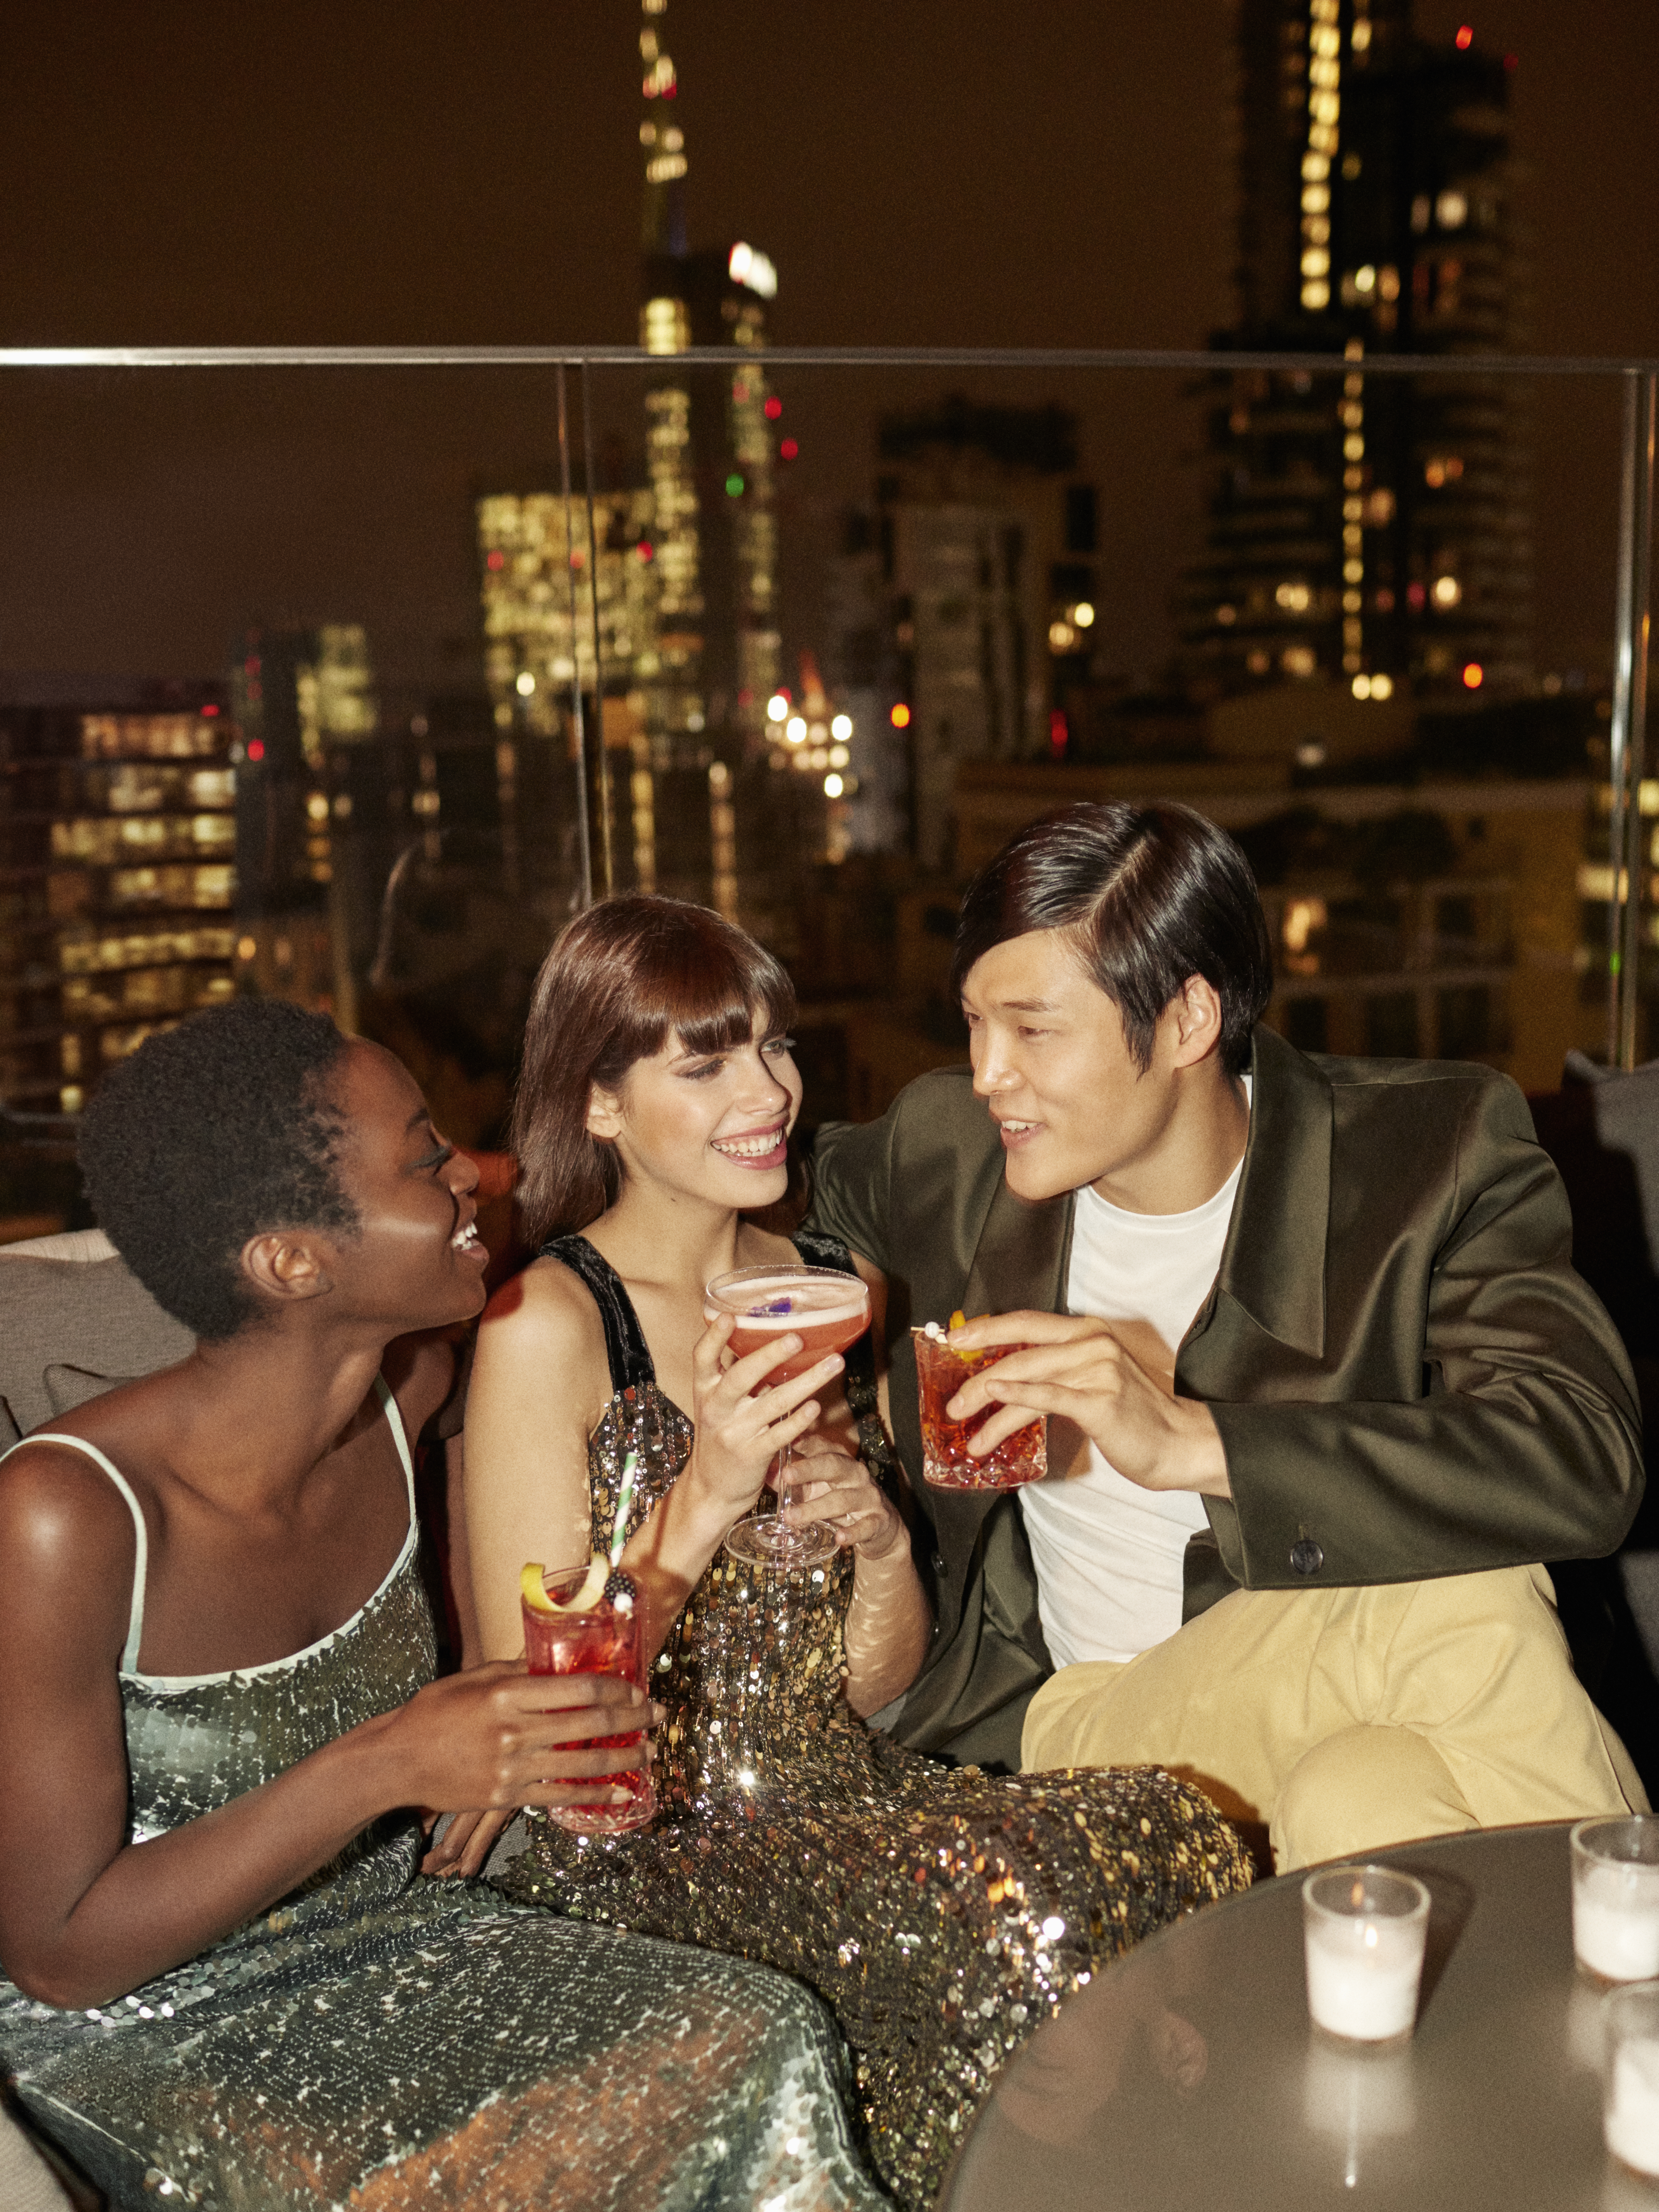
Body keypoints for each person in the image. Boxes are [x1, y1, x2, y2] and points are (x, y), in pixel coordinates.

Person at [0, 999, 884, 2212]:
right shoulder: (65, 1514)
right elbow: (58, 1950)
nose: (474, 1173)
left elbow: (563, 1613)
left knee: (760, 2025)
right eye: (426, 1158)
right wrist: (389, 1761)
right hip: (144, 2028)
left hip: (384, 1940)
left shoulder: (404, 1387)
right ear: (291, 1261)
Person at [461, 894, 1251, 2212]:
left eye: (774, 1045)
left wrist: (880, 1538)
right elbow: (534, 1728)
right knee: (1031, 1919)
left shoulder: (826, 1278)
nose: (767, 1089)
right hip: (647, 1837)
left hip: (841, 1781)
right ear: (598, 1104)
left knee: (1164, 1828)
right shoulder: (546, 1322)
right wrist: (706, 1491)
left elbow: (873, 1687)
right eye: (703, 1062)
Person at [804, 800, 1646, 1873]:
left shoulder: (1424, 1158)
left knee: (1364, 1804)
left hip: (1335, 1712)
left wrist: (1196, 1441)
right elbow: (797, 1196)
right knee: (1465, 1592)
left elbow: (1584, 1454)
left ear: (1191, 1020)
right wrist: (843, 1339)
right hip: (1083, 1727)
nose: (987, 1073)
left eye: (1032, 1028)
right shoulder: (952, 1151)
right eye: (973, 1022)